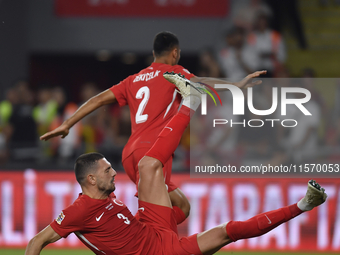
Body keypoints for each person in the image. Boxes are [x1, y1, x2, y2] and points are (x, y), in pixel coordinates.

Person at [25, 74, 327, 255]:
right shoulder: (79, 211)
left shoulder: (105, 195)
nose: (114, 171)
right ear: (90, 180)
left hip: (150, 226)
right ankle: (303, 205)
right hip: (160, 251)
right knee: (227, 230)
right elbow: (38, 241)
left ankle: (190, 100)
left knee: (147, 168)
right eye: (107, 170)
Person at [40, 31, 266, 224]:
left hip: (131, 153)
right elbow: (201, 84)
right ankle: (136, 238)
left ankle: (143, 236)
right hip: (154, 151)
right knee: (156, 217)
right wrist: (235, 85)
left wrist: (68, 123)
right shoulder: (174, 72)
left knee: (181, 207)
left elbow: (98, 99)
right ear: (175, 53)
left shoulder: (133, 79)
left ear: (153, 54)